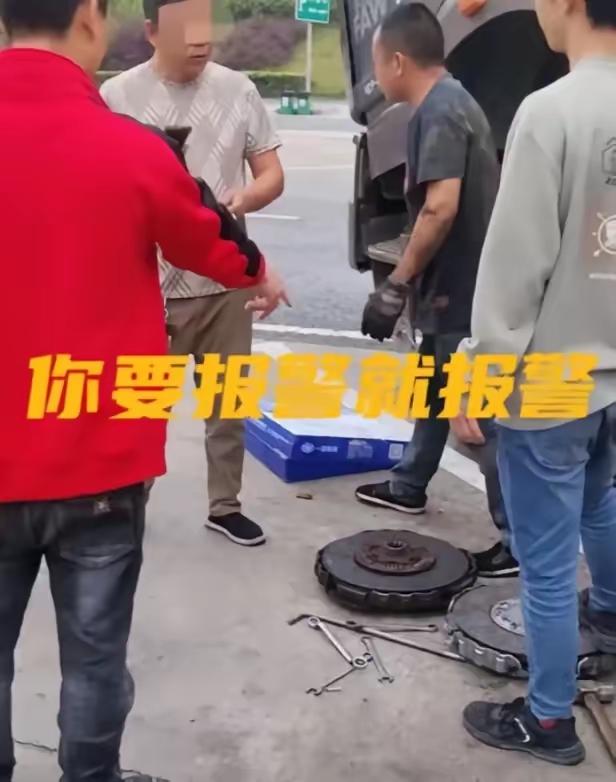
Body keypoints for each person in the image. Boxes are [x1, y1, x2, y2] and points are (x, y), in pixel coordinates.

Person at [0, 1, 286, 780]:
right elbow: (218, 247)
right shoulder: (131, 147)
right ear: (89, 20)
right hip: (100, 462)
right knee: (94, 663)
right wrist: (261, 271)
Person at [453, 0, 616, 766]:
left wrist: (480, 379)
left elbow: (517, 268)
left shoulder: (552, 112)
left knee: (546, 565)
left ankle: (549, 720)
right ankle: (610, 611)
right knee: (601, 500)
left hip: (554, 382)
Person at [101, 0, 285, 548]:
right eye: (186, 29)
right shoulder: (117, 97)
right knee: (141, 408)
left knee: (228, 406)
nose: (201, 40)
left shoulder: (239, 90)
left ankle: (225, 506)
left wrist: (244, 198)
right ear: (152, 31)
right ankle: (129, 501)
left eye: (206, 27)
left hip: (226, 282)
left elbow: (271, 173)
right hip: (149, 286)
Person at [357, 2, 518, 578]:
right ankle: (408, 485)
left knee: (478, 418)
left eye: (377, 62)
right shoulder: (451, 100)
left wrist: (396, 285)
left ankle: (516, 538)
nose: (376, 76)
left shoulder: (440, 111)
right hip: (454, 287)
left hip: (461, 289)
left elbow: (440, 207)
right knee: (433, 387)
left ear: (398, 61)